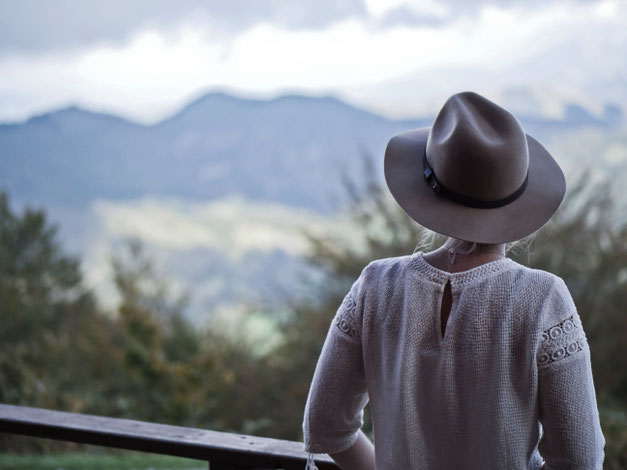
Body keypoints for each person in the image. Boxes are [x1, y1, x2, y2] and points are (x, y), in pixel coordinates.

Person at [302, 92, 605, 470]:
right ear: (517, 197)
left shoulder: (375, 285)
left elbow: (326, 424)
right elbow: (580, 459)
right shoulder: (542, 298)